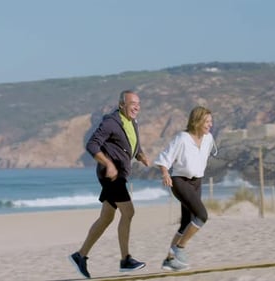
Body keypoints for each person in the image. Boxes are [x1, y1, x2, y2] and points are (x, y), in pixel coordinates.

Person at [69, 90, 150, 279]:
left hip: (120, 175)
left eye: (138, 103)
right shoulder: (111, 122)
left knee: (106, 218)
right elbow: (92, 145)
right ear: (122, 104)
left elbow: (130, 144)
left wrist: (140, 154)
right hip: (111, 177)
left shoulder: (132, 122)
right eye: (132, 103)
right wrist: (108, 164)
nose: (136, 107)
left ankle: (80, 256)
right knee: (129, 212)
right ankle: (125, 260)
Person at [154, 105, 216, 271]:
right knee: (202, 215)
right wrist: (165, 173)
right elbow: (164, 158)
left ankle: (169, 260)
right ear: (197, 121)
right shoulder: (182, 138)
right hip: (180, 181)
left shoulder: (209, 138)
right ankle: (179, 248)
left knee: (186, 223)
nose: (210, 124)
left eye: (211, 121)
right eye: (207, 121)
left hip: (197, 182)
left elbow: (202, 157)